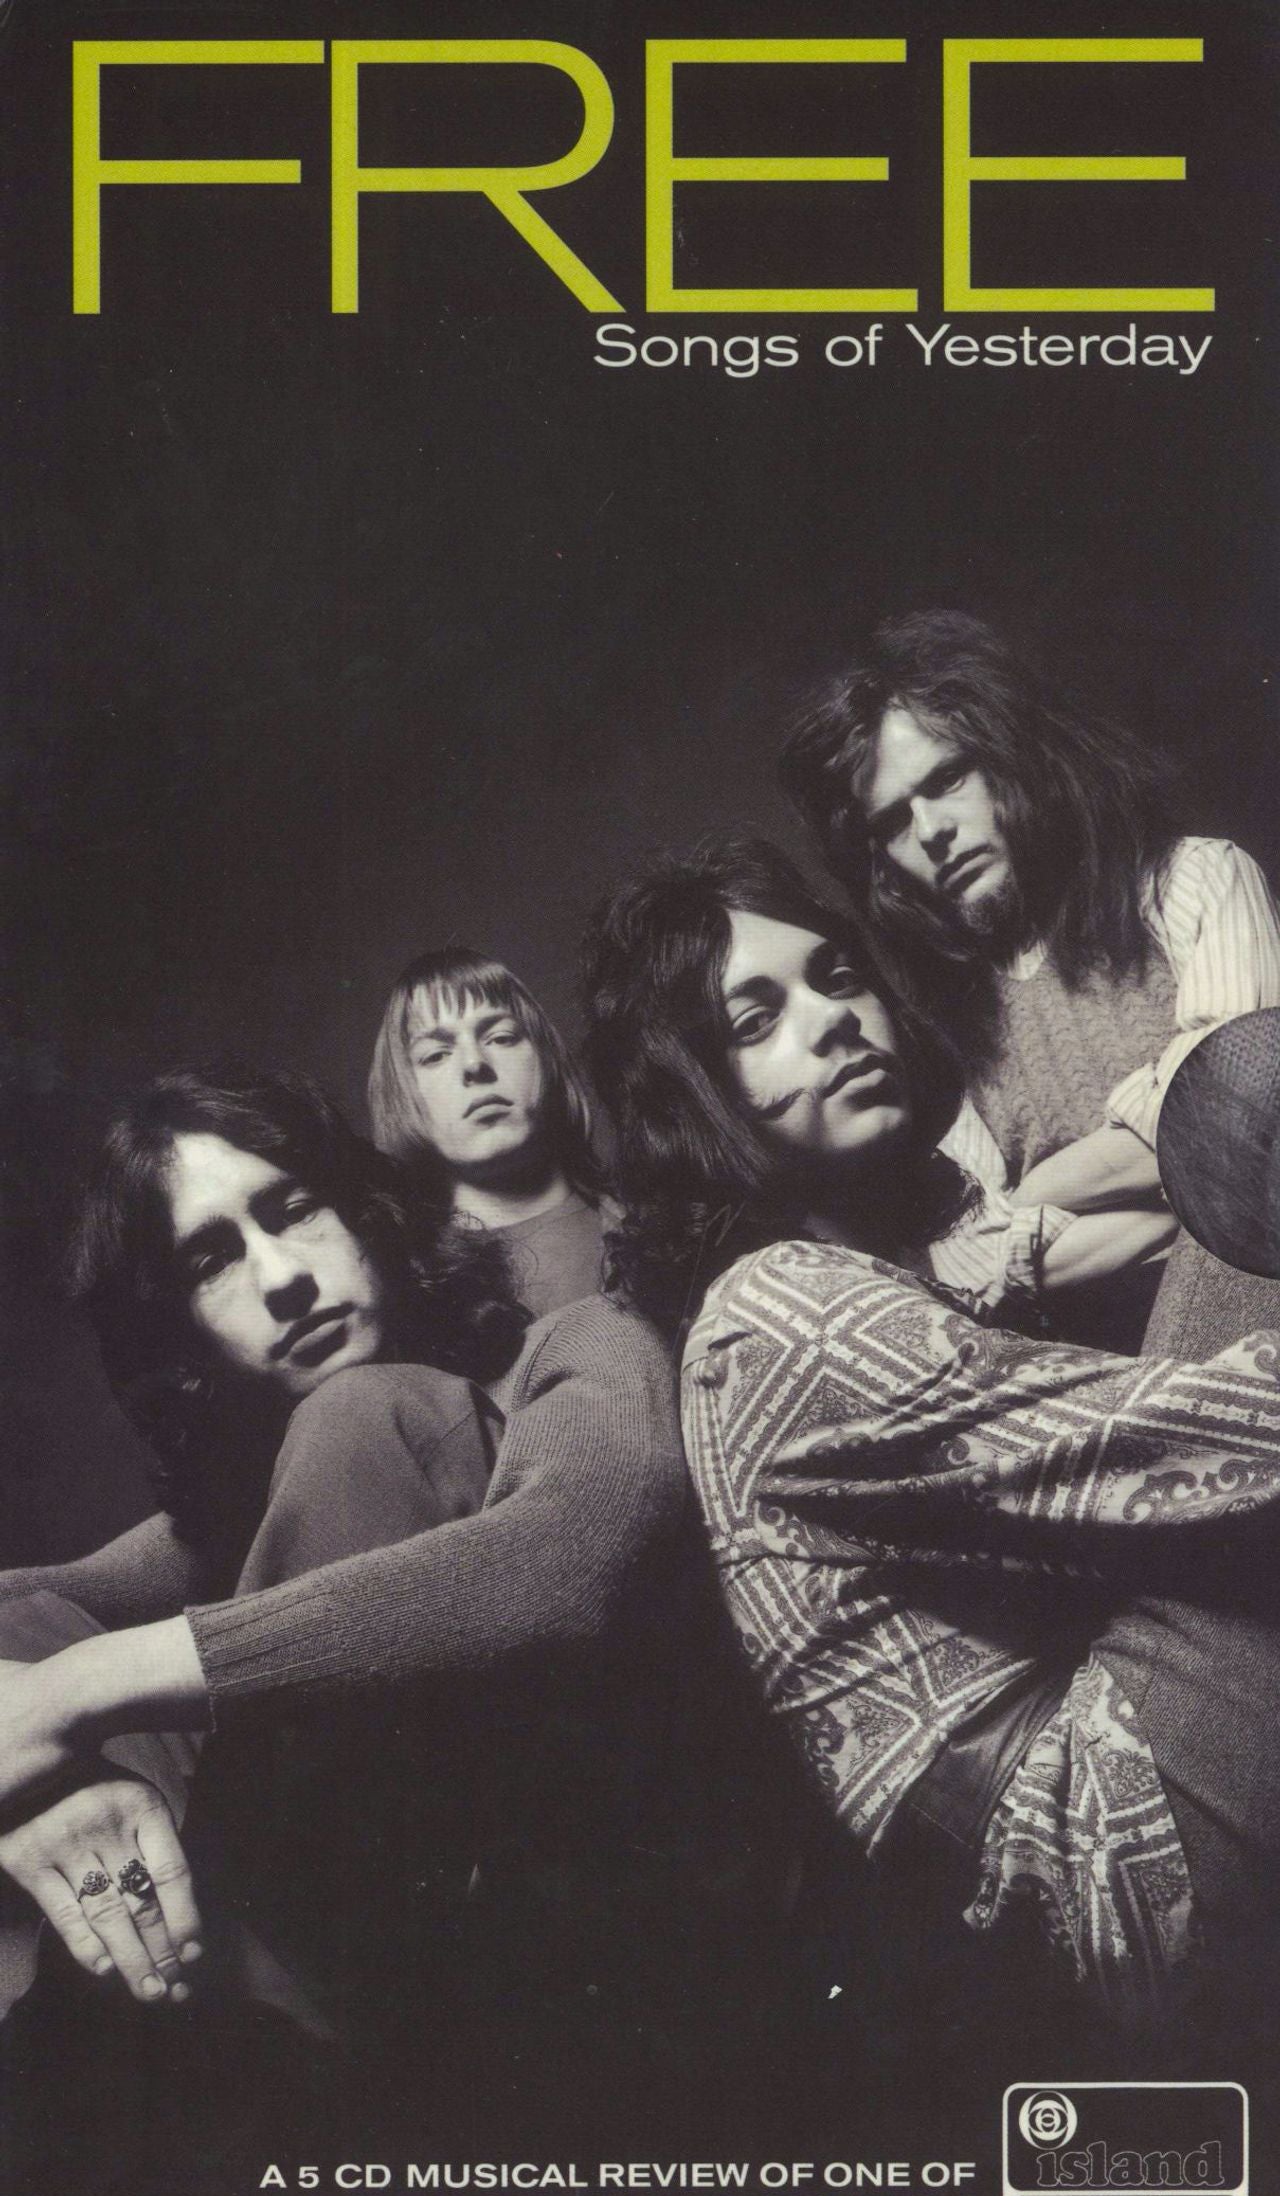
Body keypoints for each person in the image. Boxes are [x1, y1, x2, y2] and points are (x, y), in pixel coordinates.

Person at [581, 836, 1280, 2025]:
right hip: (1115, 1855)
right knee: (1254, 1106)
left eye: (836, 976)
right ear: (691, 1090)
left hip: (1111, 1830)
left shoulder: (885, 1272)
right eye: (754, 1019)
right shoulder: (778, 1311)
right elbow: (1220, 1444)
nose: (831, 1020)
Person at [0, 1063, 692, 2074]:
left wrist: (71, 1696)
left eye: (295, 1209)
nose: (282, 1276)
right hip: (293, 1973)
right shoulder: (247, 1505)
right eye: (212, 1259)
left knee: (365, 1411)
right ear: (181, 1331)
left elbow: (569, 1558)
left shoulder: (578, 1343)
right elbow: (19, 1605)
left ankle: (157, 2026)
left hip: (548, 1941)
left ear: (367, 1213)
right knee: (29, 1631)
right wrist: (56, 1792)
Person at [778, 610, 1280, 1351]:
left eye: (947, 778)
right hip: (1086, 1371)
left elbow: (1238, 1133)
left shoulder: (1195, 881)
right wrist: (1169, 1177)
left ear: (1017, 757)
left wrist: (1035, 1195)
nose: (931, 832)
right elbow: (969, 1260)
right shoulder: (938, 1016)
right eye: (892, 822)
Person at [368, 944, 610, 1316]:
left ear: (547, 1059)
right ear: (401, 1095)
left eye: (501, 1038)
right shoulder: (399, 1293)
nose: (474, 1063)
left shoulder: (657, 1231)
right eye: (436, 1055)